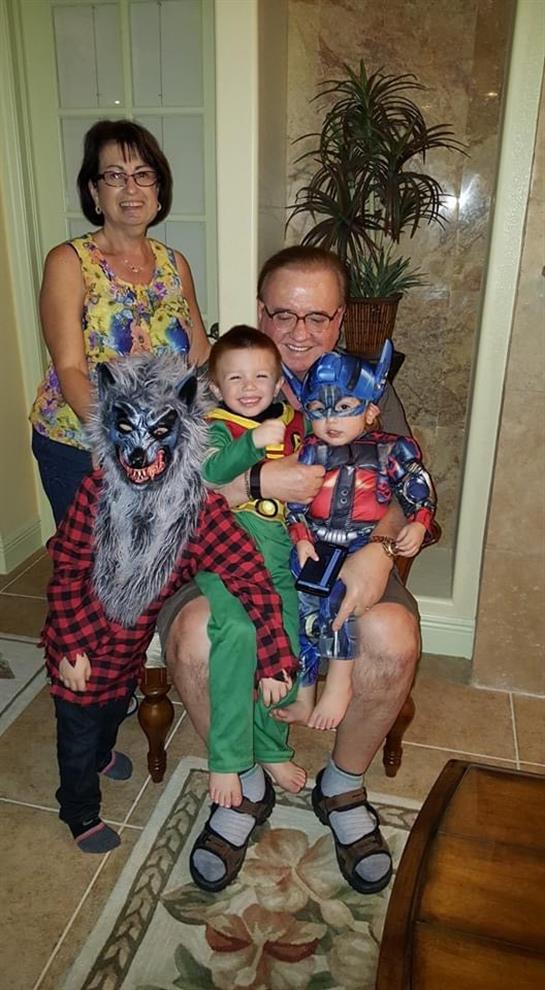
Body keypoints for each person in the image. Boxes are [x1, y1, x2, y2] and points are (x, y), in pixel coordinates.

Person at [159, 246, 422, 896]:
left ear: (340, 320)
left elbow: (402, 482)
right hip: (225, 553)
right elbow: (160, 493)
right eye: (284, 314)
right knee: (196, 636)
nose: (300, 333)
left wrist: (380, 547)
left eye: (318, 317)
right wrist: (250, 483)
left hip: (341, 550)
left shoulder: (365, 385)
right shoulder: (211, 384)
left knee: (392, 640)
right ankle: (245, 780)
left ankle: (342, 784)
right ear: (260, 313)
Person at [43, 353, 298, 855]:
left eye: (158, 431)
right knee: (78, 726)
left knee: (113, 706)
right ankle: (78, 808)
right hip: (80, 639)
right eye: (126, 430)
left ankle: (101, 753)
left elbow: (248, 574)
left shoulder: (197, 507)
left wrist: (273, 657)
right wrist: (70, 646)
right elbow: (68, 569)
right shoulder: (95, 492)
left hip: (129, 647)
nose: (140, 451)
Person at [29, 118, 210, 527]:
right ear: (95, 192)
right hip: (81, 445)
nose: (131, 188)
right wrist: (113, 440)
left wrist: (249, 387)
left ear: (158, 190)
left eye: (143, 175)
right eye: (114, 176)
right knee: (95, 557)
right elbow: (71, 369)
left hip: (159, 449)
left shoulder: (175, 264)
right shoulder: (69, 262)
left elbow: (199, 356)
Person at [276, 344, 436, 734]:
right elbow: (294, 504)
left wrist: (419, 522)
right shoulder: (309, 452)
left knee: (339, 603)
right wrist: (300, 537)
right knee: (303, 610)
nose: (330, 419)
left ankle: (340, 683)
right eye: (318, 410)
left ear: (370, 410)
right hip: (317, 542)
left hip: (360, 544)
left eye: (344, 407)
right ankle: (305, 693)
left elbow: (416, 487)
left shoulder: (390, 450)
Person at [197, 325, 307, 811]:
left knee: (284, 649)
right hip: (226, 558)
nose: (248, 387)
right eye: (235, 378)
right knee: (240, 636)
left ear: (279, 383)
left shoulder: (291, 421)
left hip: (276, 558)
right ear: (216, 386)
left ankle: (270, 747)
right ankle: (228, 757)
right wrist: (253, 443)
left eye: (261, 376)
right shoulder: (214, 426)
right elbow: (210, 472)